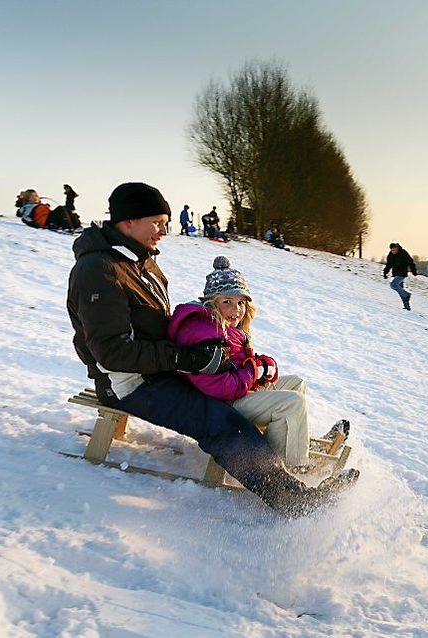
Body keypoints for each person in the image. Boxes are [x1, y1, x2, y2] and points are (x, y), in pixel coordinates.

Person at [66, 182, 355, 517]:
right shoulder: (99, 272)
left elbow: (156, 326)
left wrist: (201, 345)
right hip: (130, 384)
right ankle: (291, 498)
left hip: (161, 371)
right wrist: (184, 357)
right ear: (129, 221)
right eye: (157, 222)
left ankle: (292, 454)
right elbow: (112, 352)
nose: (163, 231)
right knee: (218, 419)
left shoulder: (141, 263)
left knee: (234, 401)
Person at [168, 256, 347, 469]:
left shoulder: (226, 328)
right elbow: (220, 387)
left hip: (236, 395)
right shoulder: (206, 334)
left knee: (296, 383)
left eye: (241, 303)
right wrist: (253, 370)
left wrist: (259, 366)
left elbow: (238, 365)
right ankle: (291, 466)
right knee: (292, 403)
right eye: (227, 302)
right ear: (212, 303)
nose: (237, 310)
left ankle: (296, 446)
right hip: (221, 407)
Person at [383, 242, 417, 310]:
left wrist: (413, 271)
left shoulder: (403, 253)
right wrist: (385, 272)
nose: (393, 251)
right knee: (400, 290)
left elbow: (411, 262)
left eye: (394, 250)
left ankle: (407, 294)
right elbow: (389, 264)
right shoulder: (391, 255)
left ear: (397, 248)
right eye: (392, 250)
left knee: (393, 285)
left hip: (402, 273)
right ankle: (406, 306)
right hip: (395, 273)